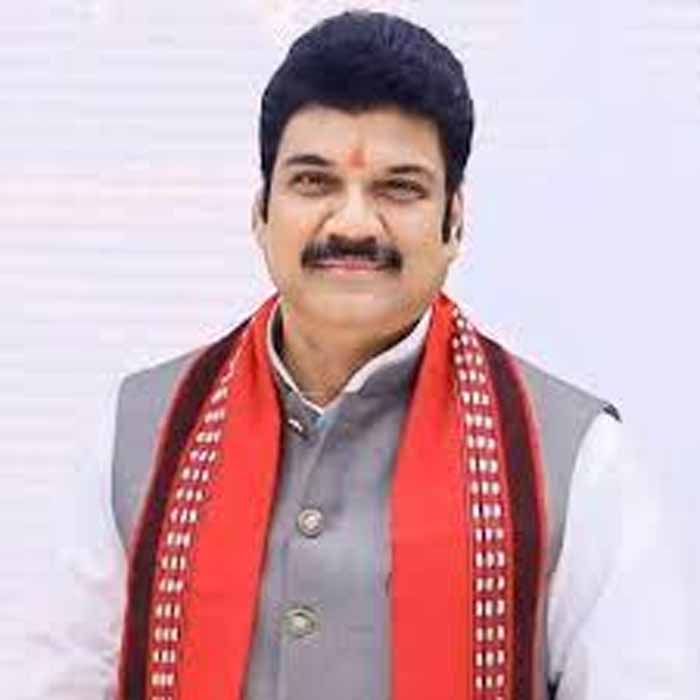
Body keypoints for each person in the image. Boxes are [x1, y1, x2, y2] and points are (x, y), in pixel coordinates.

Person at [51, 10, 692, 700]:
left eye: (399, 188)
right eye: (314, 182)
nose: (353, 223)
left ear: (454, 222)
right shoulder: (138, 435)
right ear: (261, 212)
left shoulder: (574, 459)